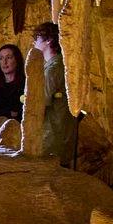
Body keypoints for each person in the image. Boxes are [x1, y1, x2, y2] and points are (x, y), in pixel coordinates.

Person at [34, 21, 75, 164]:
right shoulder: (58, 66)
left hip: (51, 137)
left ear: (48, 40)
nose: (34, 43)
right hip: (60, 136)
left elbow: (41, 102)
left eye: (37, 38)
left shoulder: (53, 69)